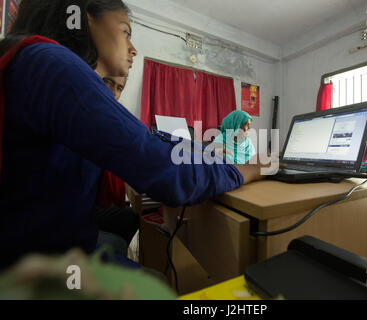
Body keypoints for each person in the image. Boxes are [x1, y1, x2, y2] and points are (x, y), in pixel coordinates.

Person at [0, 0, 269, 270]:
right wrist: (246, 170)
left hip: (37, 248)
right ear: (87, 19)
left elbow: (153, 148)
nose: (133, 49)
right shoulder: (54, 64)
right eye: (125, 32)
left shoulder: (34, 60)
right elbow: (167, 169)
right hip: (37, 268)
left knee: (130, 222)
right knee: (157, 282)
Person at [93, 75, 139, 255]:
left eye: (119, 88)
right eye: (108, 83)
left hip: (88, 203)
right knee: (117, 242)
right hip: (68, 211)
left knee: (130, 215)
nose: (113, 93)